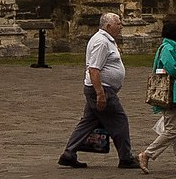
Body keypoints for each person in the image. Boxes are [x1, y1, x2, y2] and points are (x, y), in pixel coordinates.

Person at [58, 11, 137, 169]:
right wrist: (100, 93)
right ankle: (126, 158)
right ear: (108, 26)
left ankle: (69, 153)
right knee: (119, 120)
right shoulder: (101, 42)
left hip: (100, 89)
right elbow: (94, 69)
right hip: (101, 89)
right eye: (118, 23)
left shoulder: (107, 40)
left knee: (88, 122)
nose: (121, 26)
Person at [139, 17, 176, 174]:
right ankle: (147, 154)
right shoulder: (168, 49)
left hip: (174, 92)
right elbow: (172, 69)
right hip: (170, 94)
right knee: (172, 130)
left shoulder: (169, 48)